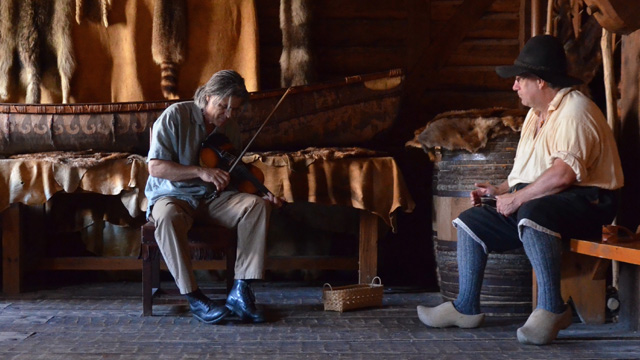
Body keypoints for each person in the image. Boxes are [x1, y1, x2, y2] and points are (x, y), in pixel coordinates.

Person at [416, 35, 624, 345]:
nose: (514, 86)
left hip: (591, 201)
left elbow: (564, 175)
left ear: (540, 81)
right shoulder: (534, 115)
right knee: (472, 221)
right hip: (554, 197)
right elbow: (531, 174)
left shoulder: (575, 111)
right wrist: (499, 190)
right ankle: (465, 308)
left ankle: (552, 307)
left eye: (519, 79)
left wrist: (518, 197)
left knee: (531, 210)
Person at [145, 69, 283, 324]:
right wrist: (200, 171)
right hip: (174, 195)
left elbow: (233, 175)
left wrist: (263, 193)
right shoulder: (176, 116)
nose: (229, 115)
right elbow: (156, 167)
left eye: (236, 110)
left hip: (212, 199)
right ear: (207, 97)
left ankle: (241, 291)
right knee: (165, 216)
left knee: (256, 206)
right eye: (223, 106)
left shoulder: (230, 128)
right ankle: (195, 297)